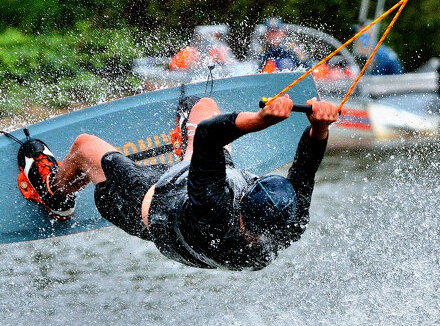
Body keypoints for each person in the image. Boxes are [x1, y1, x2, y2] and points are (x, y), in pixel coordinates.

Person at [15, 95, 338, 271]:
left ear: (240, 205)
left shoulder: (216, 209)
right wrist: (319, 127)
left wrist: (260, 120)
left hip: (139, 204)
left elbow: (213, 134)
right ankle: (187, 148)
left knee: (86, 145)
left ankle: (54, 194)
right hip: (188, 197)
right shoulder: (288, 223)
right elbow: (305, 170)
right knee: (205, 106)